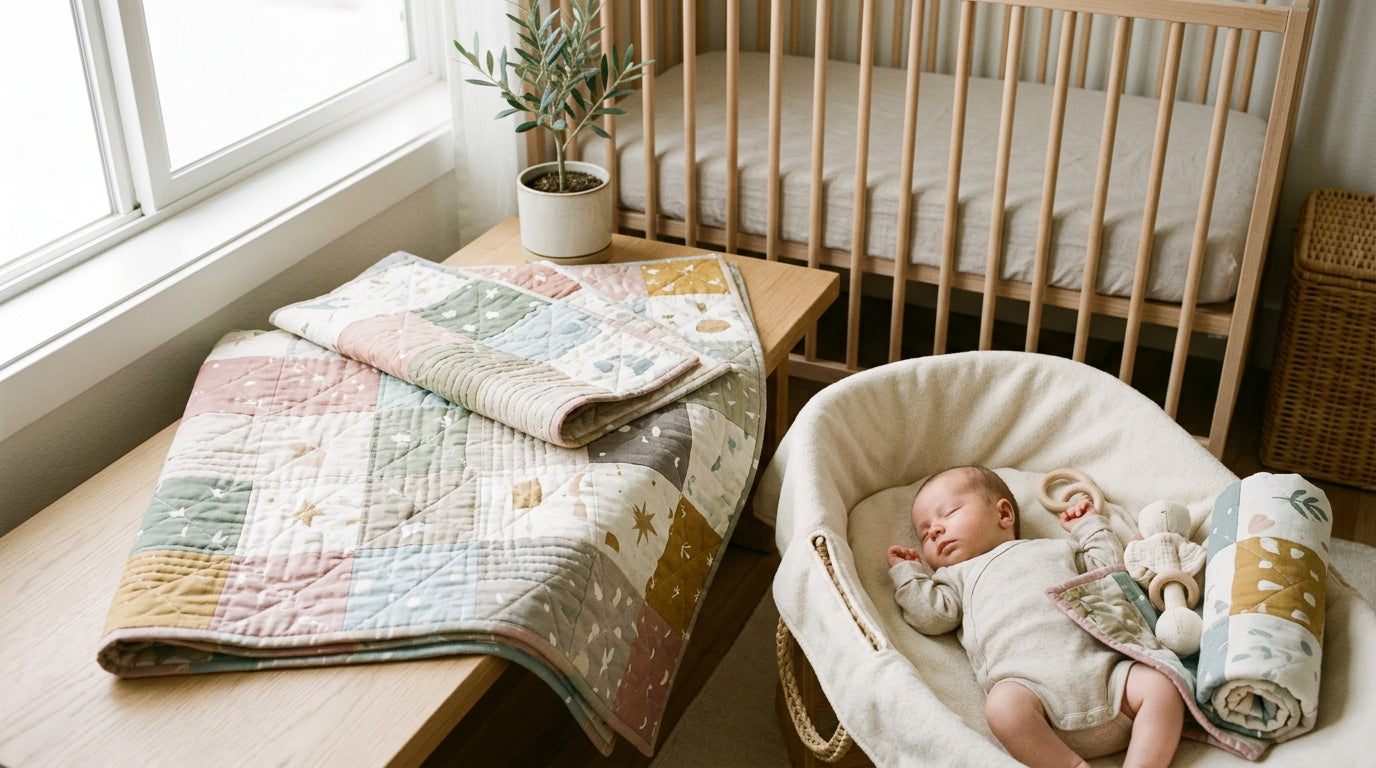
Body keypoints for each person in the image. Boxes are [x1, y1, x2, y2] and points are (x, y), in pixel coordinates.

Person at [887, 465, 1183, 768]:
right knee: (1001, 708)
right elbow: (932, 617)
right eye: (925, 533)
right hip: (1036, 704)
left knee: (1162, 685)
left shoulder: (1055, 549)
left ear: (1003, 515)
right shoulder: (955, 578)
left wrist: (1090, 526)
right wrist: (909, 575)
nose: (934, 530)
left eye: (948, 513)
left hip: (1110, 678)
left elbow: (1106, 570)